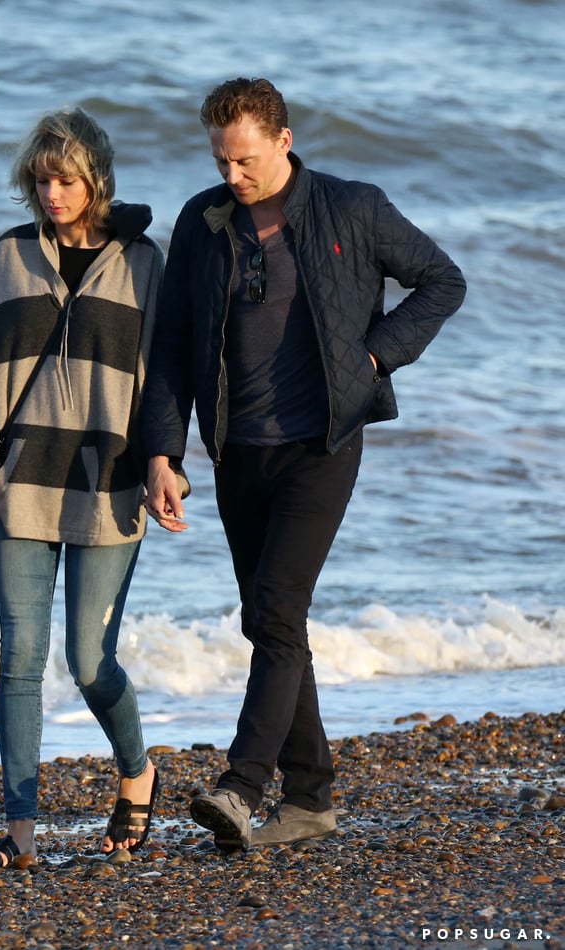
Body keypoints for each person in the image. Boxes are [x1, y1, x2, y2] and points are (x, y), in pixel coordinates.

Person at [142, 78, 466, 850]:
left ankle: (243, 784)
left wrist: (376, 357)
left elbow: (441, 281)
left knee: (276, 611)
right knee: (274, 622)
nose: (232, 176)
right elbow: (175, 345)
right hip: (236, 452)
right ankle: (312, 798)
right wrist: (163, 450)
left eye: (245, 160)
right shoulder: (204, 221)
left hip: (322, 445)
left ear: (284, 141)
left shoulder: (351, 208)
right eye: (221, 159)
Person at [0, 108, 164, 867]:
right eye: (41, 179)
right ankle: (20, 833)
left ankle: (137, 772)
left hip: (110, 481)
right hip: (21, 482)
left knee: (86, 660)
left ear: (95, 179)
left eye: (65, 179)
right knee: (19, 657)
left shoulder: (143, 260)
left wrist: (165, 462)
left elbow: (163, 378)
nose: (51, 193)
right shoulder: (9, 258)